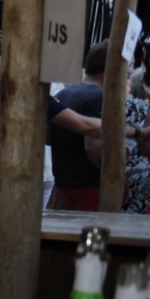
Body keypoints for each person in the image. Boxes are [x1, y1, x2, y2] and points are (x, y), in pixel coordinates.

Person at [47, 43, 112, 211]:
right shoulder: (100, 96)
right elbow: (93, 147)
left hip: (63, 185)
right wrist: (113, 173)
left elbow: (49, 138)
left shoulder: (63, 94)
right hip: (89, 188)